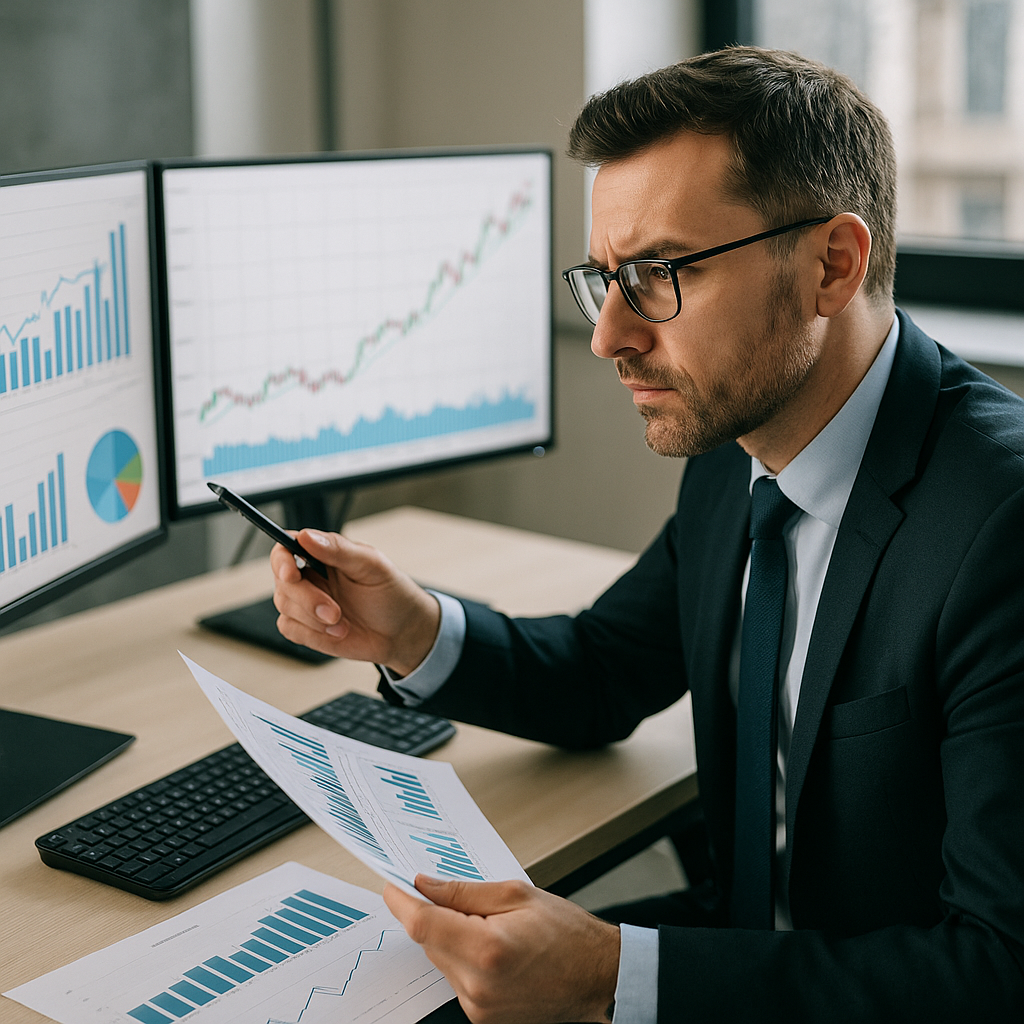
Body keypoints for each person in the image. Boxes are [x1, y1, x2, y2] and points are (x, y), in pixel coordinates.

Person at [270, 46, 1024, 1023]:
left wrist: (607, 974)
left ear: (830, 264)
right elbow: (603, 668)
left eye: (660, 274)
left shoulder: (999, 528)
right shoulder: (739, 442)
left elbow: (997, 972)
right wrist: (410, 628)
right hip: (747, 941)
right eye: (606, 277)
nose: (608, 335)